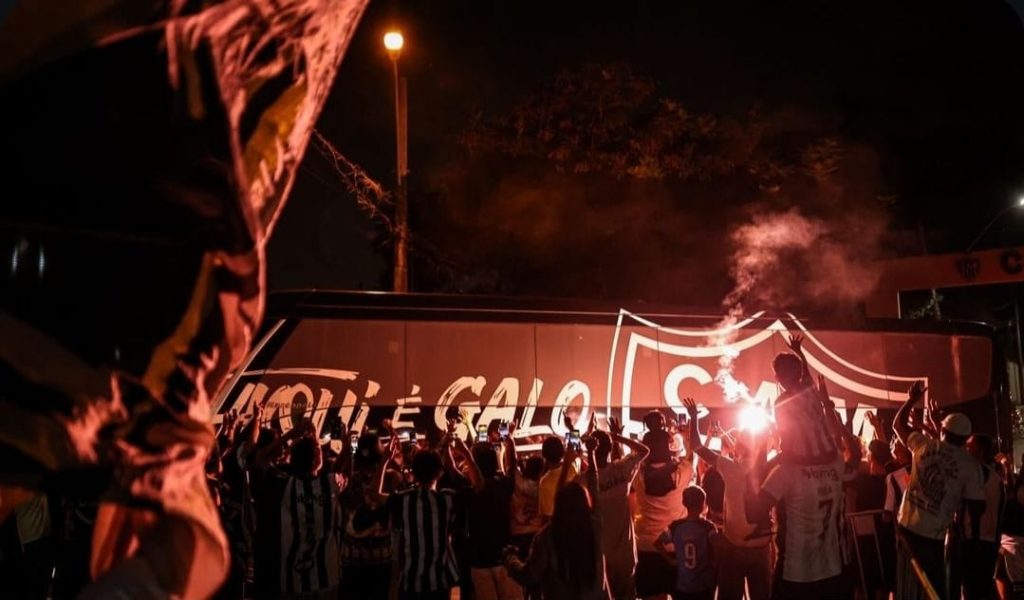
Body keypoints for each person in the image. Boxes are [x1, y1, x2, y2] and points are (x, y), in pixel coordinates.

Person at [749, 376, 861, 600]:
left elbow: (752, 512)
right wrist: (832, 415)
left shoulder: (785, 472)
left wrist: (758, 449)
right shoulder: (836, 463)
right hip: (834, 571)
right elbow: (855, 456)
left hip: (797, 575)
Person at [893, 381, 985, 600]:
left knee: (907, 588)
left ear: (943, 430)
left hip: (906, 529)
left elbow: (898, 425)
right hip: (933, 536)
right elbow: (977, 507)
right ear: (965, 439)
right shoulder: (970, 466)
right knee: (933, 590)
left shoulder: (924, 445)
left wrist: (911, 400)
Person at [373, 438, 483, 600]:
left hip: (410, 581)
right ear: (439, 473)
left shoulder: (404, 500)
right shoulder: (447, 499)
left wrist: (384, 460)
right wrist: (466, 452)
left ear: (414, 472)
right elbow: (479, 486)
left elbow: (374, 494)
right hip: (439, 580)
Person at [683, 398, 771, 600]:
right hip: (761, 547)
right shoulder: (766, 468)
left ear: (738, 448)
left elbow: (696, 445)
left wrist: (695, 418)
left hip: (735, 547)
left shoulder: (730, 467)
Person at [504, 437, 610, 599]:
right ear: (585, 503)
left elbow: (528, 575)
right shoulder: (595, 527)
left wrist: (510, 558)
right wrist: (591, 454)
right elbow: (594, 488)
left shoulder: (548, 536)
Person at [251, 421, 346, 600]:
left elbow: (260, 459)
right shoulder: (330, 485)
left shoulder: (284, 485)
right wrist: (345, 442)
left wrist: (290, 434)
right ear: (319, 459)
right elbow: (346, 466)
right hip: (326, 576)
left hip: (292, 578)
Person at [634, 421, 694, 600]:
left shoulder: (638, 474)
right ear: (668, 447)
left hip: (646, 547)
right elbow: (692, 457)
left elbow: (625, 462)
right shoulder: (680, 473)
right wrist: (685, 436)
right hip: (674, 547)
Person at [593, 417, 651, 600]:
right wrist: (618, 437)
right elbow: (643, 450)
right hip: (624, 554)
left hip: (599, 557)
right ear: (609, 449)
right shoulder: (621, 470)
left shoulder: (584, 480)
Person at [467, 427, 522, 600]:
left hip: (480, 560)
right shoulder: (503, 485)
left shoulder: (470, 491)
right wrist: (510, 440)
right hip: (505, 557)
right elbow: (512, 467)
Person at [772, 334, 839, 465]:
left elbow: (787, 439)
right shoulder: (810, 390)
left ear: (778, 377)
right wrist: (799, 352)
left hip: (806, 461)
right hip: (831, 455)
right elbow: (805, 371)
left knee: (760, 475)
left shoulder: (781, 402)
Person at [654, 486, 719, 600]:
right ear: (703, 505)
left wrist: (671, 560)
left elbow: (657, 543)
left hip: (682, 585)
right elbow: (718, 549)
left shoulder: (675, 527)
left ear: (684, 503)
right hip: (703, 584)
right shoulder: (708, 528)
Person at [960, 433, 1004, 600]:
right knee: (984, 588)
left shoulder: (979, 473)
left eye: (969, 446)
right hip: (988, 541)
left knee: (974, 590)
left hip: (975, 542)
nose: (965, 449)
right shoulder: (993, 475)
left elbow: (976, 508)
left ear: (979, 451)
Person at [538, 432, 580, 521]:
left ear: (543, 454)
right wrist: (571, 428)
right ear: (562, 453)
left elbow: (547, 517)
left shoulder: (544, 482)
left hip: (560, 529)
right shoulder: (572, 468)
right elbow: (576, 451)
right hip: (576, 522)